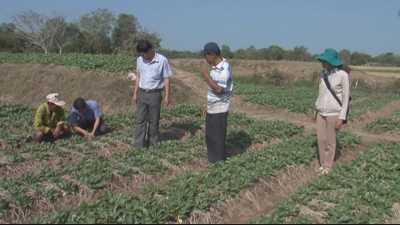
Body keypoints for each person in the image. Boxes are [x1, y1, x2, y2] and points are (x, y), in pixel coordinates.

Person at [315, 48, 350, 175]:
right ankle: (322, 163)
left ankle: (328, 166)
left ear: (332, 62)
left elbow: (346, 98)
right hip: (321, 112)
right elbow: (321, 94)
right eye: (322, 60)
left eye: (325, 61)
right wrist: (316, 108)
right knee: (321, 139)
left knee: (330, 141)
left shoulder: (342, 75)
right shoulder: (323, 73)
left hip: (334, 113)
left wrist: (342, 117)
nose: (322, 63)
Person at [133, 40, 172, 148]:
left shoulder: (162, 60)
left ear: (151, 50)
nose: (143, 56)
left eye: (144, 53)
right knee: (140, 120)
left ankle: (153, 143)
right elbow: (138, 77)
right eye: (141, 54)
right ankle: (139, 145)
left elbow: (166, 79)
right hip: (142, 93)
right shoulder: (140, 60)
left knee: (154, 120)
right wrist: (135, 93)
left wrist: (167, 96)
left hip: (155, 94)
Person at [201, 42, 233, 163]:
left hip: (220, 108)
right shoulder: (215, 67)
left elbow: (219, 90)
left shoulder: (224, 69)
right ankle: (213, 161)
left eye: (206, 56)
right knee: (210, 136)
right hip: (213, 107)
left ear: (213, 54)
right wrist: (208, 106)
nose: (205, 59)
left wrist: (206, 76)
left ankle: (219, 162)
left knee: (217, 137)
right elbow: (213, 90)